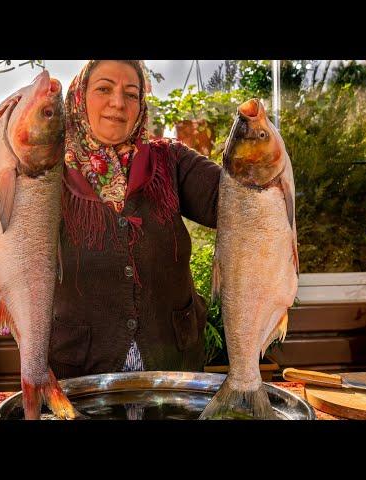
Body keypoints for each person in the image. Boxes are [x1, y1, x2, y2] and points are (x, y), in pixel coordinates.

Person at [50, 60, 221, 380]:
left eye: (131, 93)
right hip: (81, 373)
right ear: (79, 95)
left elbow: (232, 202)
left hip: (173, 369)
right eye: (103, 89)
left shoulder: (169, 160)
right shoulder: (49, 176)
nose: (118, 102)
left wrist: (255, 152)